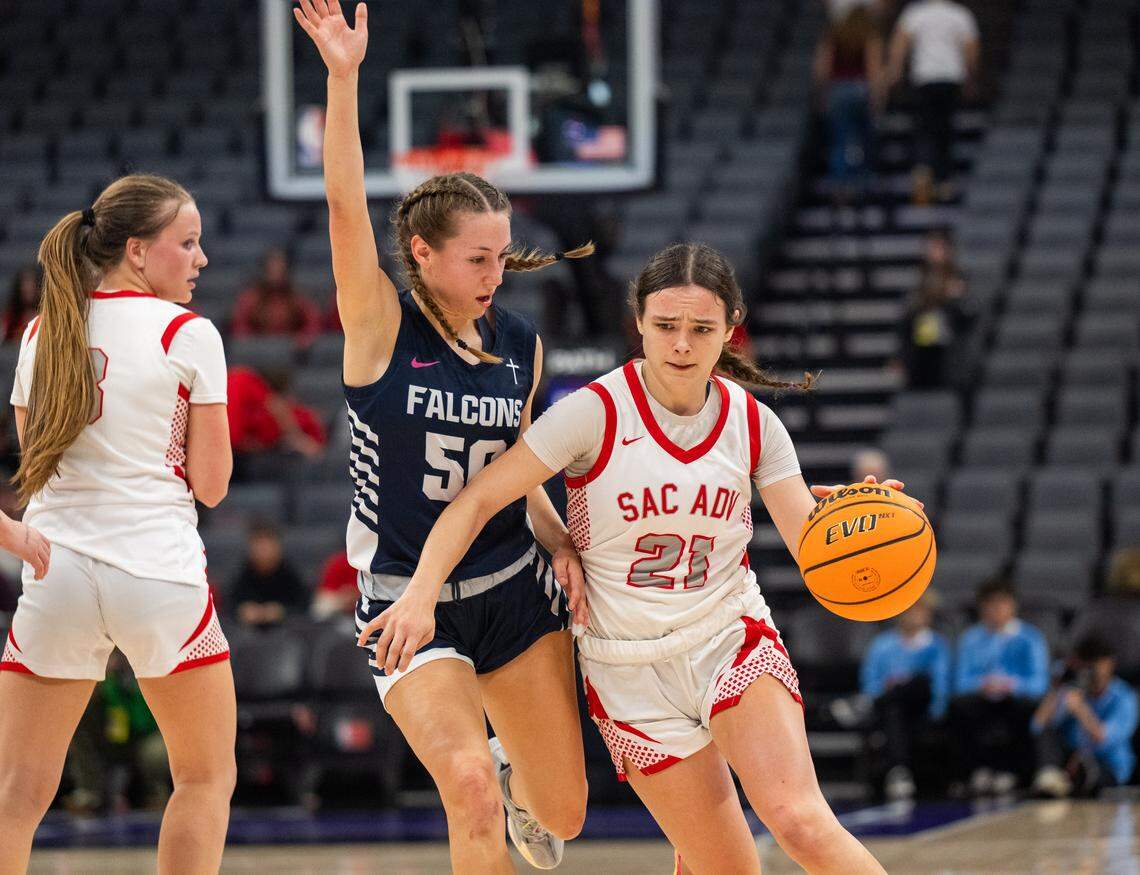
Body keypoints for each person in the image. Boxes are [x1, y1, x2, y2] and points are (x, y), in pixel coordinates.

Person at [372, 241, 890, 874]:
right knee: (728, 868)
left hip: (727, 637)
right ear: (638, 322)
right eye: (666, 326)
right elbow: (477, 500)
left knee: (801, 823)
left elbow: (815, 548)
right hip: (625, 670)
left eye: (701, 329)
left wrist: (857, 527)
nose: (681, 344)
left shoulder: (754, 426)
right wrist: (420, 594)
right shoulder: (594, 412)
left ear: (730, 328)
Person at [295, 2, 593, 870]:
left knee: (565, 812)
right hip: (404, 597)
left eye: (503, 255)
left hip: (511, 585)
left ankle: (521, 780)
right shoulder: (380, 328)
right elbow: (346, 207)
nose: (496, 274)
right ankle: (484, 767)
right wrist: (343, 79)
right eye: (477, 258)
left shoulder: (522, 348)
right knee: (464, 780)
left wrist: (558, 541)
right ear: (421, 253)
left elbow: (517, 474)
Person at [0, 173, 235, 873]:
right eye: (187, 242)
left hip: (55, 570)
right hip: (157, 573)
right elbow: (214, 487)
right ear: (137, 250)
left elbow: (32, 464)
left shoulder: (43, 331)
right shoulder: (188, 333)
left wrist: (12, 535)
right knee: (202, 778)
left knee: (15, 795)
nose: (200, 258)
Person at [948, 578, 1049, 796]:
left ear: (1012, 605)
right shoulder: (971, 638)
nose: (995, 610)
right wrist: (983, 684)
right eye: (990, 604)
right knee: (959, 706)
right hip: (982, 698)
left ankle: (1012, 771)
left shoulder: (1030, 638)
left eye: (1001, 603)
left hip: (1016, 698)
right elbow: (961, 681)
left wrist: (1012, 685)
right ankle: (978, 769)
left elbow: (1039, 682)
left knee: (1025, 707)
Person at [860, 590, 951, 800]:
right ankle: (900, 771)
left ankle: (899, 769)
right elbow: (870, 681)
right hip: (890, 707)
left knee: (914, 684)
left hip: (921, 705)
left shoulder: (936, 645)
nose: (914, 615)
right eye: (910, 610)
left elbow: (940, 681)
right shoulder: (882, 644)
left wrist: (937, 710)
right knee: (894, 707)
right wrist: (886, 688)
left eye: (920, 610)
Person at [887, 0, 980, 203]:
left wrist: (895, 71)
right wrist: (970, 79)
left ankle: (922, 170)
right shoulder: (960, 14)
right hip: (950, 78)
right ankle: (944, 180)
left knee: (923, 127)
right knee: (944, 129)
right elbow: (970, 49)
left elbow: (900, 43)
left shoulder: (915, 13)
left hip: (925, 77)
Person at [1032, 634, 1138, 798]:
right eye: (1086, 666)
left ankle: (1069, 782)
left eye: (1096, 664)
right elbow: (1038, 726)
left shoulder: (1124, 697)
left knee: (1090, 771)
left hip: (1107, 766)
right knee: (1048, 738)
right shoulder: (1072, 692)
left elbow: (1103, 737)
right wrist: (1056, 688)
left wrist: (1081, 710)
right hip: (1070, 761)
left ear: (1109, 664)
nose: (1091, 672)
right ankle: (1052, 779)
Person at [814, 7, 884, 197]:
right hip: (860, 89)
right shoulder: (869, 35)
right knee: (865, 137)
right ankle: (865, 181)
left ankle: (839, 183)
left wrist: (823, 94)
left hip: (838, 90)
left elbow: (822, 69)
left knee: (839, 139)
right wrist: (876, 98)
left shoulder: (835, 35)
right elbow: (873, 70)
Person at [893, 229, 972, 389]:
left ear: (949, 250)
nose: (934, 253)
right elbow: (906, 320)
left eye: (939, 247)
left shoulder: (959, 278)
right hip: (921, 347)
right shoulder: (919, 280)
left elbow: (969, 316)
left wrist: (955, 299)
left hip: (948, 348)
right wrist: (900, 356)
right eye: (931, 248)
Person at [230, 246, 323, 347]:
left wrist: (302, 340)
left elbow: (313, 323)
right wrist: (253, 344)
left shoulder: (298, 298)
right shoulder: (250, 298)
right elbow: (240, 326)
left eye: (279, 267)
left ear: (286, 270)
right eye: (272, 267)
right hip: (258, 352)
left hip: (292, 352)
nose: (275, 271)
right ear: (264, 269)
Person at [230, 521, 310, 628]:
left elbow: (305, 607)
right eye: (259, 544)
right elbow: (229, 607)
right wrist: (243, 611)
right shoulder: (241, 574)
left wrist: (282, 611)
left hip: (285, 633)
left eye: (268, 544)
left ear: (278, 546)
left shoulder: (290, 574)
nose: (264, 550)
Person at [3, 266, 42, 345]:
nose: (29, 289)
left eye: (32, 285)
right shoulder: (11, 320)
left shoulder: (46, 319)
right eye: (25, 285)